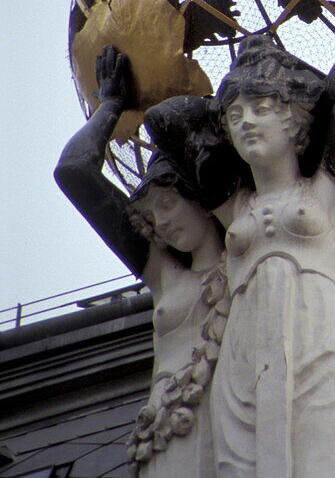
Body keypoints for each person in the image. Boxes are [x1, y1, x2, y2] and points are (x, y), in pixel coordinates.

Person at [208, 33, 335, 477]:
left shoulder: (331, 188)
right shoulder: (236, 207)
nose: (246, 121)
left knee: (334, 458)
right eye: (235, 114)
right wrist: (249, 70)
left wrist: (283, 71)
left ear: (293, 121)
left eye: (262, 108)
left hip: (320, 342)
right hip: (243, 357)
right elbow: (166, 120)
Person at [54, 46, 226, 477]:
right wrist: (109, 106)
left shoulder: (251, 251)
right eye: (150, 216)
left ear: (199, 197)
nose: (161, 224)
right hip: (167, 429)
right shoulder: (162, 271)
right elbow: (74, 170)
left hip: (237, 415)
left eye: (168, 204)